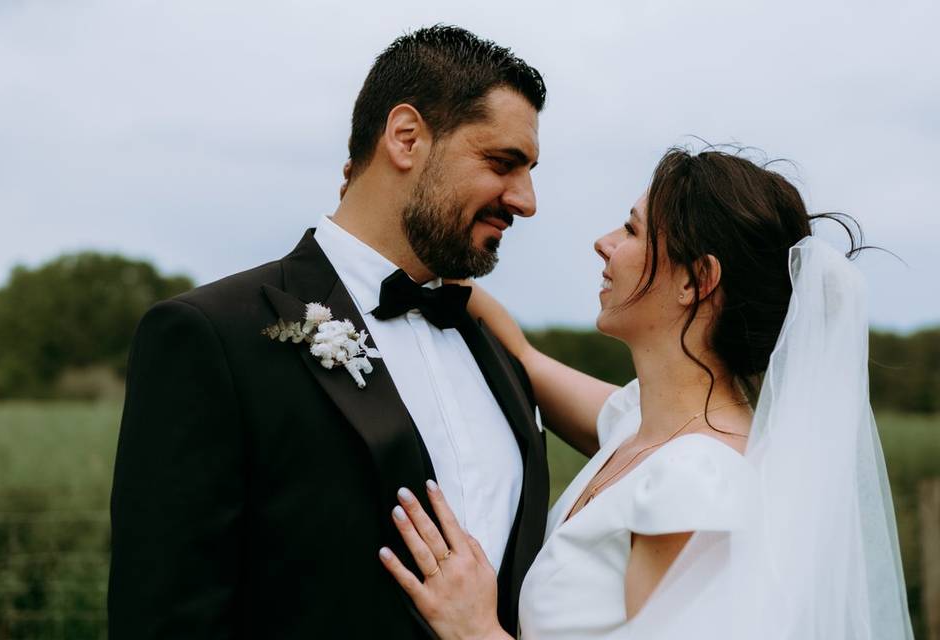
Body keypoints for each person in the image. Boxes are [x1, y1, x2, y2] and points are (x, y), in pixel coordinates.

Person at [108, 25, 550, 639]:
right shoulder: (213, 337)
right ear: (406, 137)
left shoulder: (498, 352)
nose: (526, 201)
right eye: (502, 163)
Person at [377, 148, 915, 639]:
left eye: (631, 231)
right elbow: (525, 358)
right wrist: (413, 261)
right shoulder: (639, 422)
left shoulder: (695, 483)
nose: (604, 242)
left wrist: (475, 629)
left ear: (696, 281)